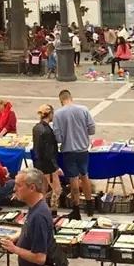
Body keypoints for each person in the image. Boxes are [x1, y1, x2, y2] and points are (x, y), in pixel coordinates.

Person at [53, 90, 95, 219]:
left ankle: (76, 208)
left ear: (61, 100)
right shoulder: (83, 109)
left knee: (73, 179)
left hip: (69, 150)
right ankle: (89, 206)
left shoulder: (58, 114)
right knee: (85, 175)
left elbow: (58, 136)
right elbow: (92, 128)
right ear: (71, 97)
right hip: (83, 149)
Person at [32, 105, 62, 215]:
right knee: (57, 189)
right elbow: (48, 152)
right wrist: (56, 167)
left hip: (39, 163)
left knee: (43, 190)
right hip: (48, 165)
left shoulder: (36, 128)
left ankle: (41, 210)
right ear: (50, 114)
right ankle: (53, 210)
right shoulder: (47, 131)